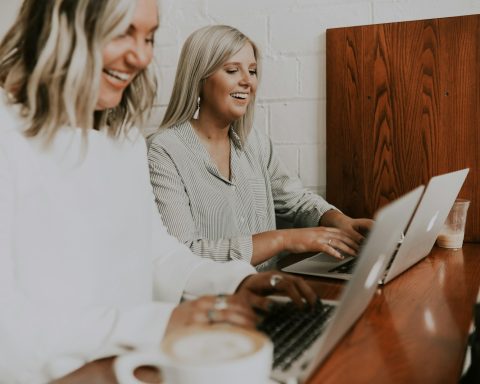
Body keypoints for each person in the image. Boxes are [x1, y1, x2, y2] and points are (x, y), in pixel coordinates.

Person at [0, 3, 316, 383]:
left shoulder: (123, 137)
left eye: (149, 37)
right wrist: (159, 324)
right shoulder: (9, 136)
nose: (141, 55)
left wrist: (235, 281)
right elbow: (11, 329)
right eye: (121, 32)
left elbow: (157, 253)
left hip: (133, 366)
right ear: (61, 25)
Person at [148, 25, 373, 268]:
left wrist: (339, 220)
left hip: (270, 292)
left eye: (252, 71)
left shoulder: (254, 143)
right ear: (199, 78)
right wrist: (282, 240)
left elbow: (295, 200)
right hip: (213, 302)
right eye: (232, 70)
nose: (247, 81)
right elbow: (183, 256)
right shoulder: (163, 151)